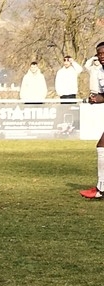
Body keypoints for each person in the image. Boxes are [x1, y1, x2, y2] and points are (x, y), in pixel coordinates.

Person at [79, 42, 104, 199]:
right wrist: (95, 99)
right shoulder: (100, 72)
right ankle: (101, 188)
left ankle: (101, 189)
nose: (102, 57)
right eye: (99, 54)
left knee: (102, 146)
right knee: (102, 146)